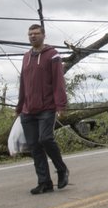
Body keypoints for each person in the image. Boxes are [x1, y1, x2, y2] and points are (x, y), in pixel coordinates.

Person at [16, 23, 69, 194]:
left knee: (45, 139)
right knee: (34, 146)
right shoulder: (26, 57)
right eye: (30, 34)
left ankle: (62, 169)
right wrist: (19, 106)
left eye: (36, 33)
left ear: (43, 35)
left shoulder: (52, 55)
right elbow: (23, 83)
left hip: (47, 107)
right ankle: (44, 182)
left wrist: (60, 105)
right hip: (28, 110)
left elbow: (59, 81)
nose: (33, 36)